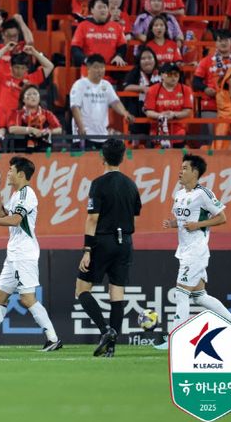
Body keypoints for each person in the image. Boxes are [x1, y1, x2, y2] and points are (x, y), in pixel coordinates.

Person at [0, 157, 62, 352]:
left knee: (27, 298)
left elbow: (15, 220)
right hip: (14, 254)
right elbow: (2, 214)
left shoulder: (27, 194)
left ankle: (53, 339)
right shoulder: (16, 195)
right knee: (0, 297)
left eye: (10, 170)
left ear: (21, 174)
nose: (7, 173)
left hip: (24, 254)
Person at [155, 154, 231, 349]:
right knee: (199, 296)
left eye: (185, 168)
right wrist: (173, 224)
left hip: (196, 251)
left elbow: (222, 217)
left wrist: (198, 225)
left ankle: (174, 338)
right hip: (184, 250)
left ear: (195, 172)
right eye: (181, 168)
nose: (180, 172)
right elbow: (183, 221)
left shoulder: (204, 193)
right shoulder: (179, 194)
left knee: (181, 293)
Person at [75, 139, 141, 358]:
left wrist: (87, 250)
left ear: (102, 157)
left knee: (82, 290)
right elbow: (135, 214)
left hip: (103, 241)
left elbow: (92, 219)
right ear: (122, 157)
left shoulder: (98, 184)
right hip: (126, 242)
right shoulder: (131, 185)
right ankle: (111, 347)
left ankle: (106, 331)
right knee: (117, 294)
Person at [70, 54, 134, 150]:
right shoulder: (79, 84)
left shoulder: (106, 85)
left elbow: (115, 102)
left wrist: (125, 113)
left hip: (102, 134)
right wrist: (81, 127)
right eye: (96, 67)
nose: (99, 70)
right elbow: (75, 107)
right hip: (84, 134)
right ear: (88, 68)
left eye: (102, 67)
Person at [143, 62, 193, 148]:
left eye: (176, 74)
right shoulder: (152, 90)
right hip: (157, 133)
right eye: (170, 74)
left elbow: (188, 111)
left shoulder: (186, 90)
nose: (173, 77)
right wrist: (161, 116)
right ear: (162, 75)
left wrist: (174, 114)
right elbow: (149, 112)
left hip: (179, 134)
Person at [71, 0, 127, 68]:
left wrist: (119, 56)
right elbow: (75, 48)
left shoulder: (116, 26)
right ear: (92, 10)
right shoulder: (83, 26)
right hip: (89, 69)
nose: (103, 10)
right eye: (99, 7)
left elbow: (122, 46)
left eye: (105, 7)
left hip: (111, 69)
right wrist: (86, 60)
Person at [8, 85, 62, 152]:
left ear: (39, 98)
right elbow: (12, 129)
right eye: (29, 94)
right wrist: (31, 130)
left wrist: (47, 131)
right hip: (22, 151)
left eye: (35, 94)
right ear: (23, 99)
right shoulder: (17, 113)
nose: (33, 96)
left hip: (43, 152)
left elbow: (59, 129)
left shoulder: (47, 114)